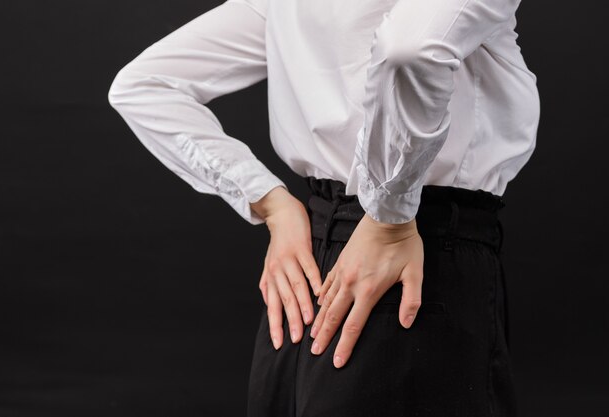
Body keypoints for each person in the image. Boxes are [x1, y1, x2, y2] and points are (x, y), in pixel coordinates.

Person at [108, 0, 540, 415]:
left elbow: (144, 85)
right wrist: (389, 218)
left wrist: (272, 203)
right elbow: (413, 51)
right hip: (413, 245)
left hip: (314, 256)